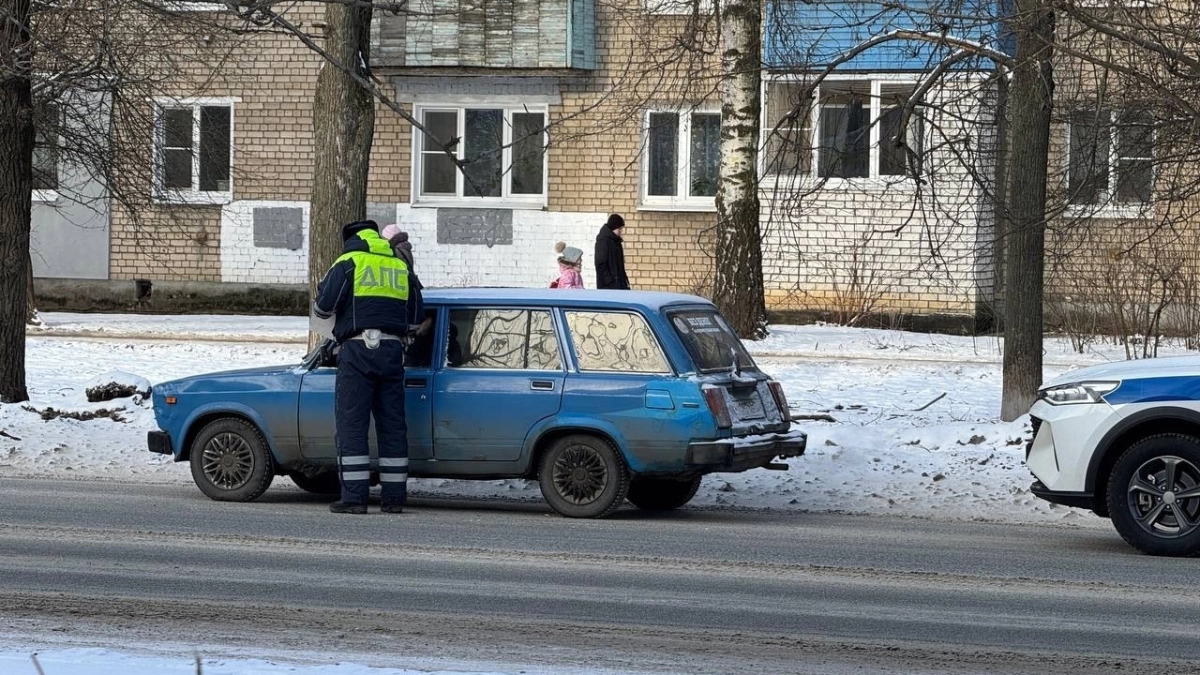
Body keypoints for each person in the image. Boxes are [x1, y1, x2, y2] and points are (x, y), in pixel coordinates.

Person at [313, 219, 423, 514]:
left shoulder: (349, 262)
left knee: (352, 424)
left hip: (356, 350)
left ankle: (354, 498)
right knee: (392, 425)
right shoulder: (400, 266)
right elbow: (415, 316)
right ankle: (394, 499)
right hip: (391, 352)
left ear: (351, 239)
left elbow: (323, 307)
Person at [594, 213, 630, 290]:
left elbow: (620, 266)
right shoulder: (603, 241)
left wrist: (624, 280)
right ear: (613, 227)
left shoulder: (616, 242)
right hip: (609, 286)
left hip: (618, 282)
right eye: (619, 229)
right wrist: (609, 281)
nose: (621, 231)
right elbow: (600, 263)